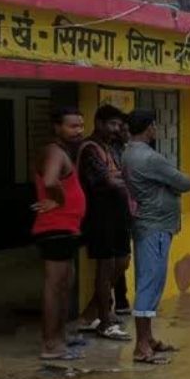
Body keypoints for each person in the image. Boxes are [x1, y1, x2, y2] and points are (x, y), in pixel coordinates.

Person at [123, 110, 190, 364]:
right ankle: (142, 346)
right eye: (155, 125)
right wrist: (171, 183)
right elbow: (185, 182)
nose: (157, 129)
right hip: (155, 226)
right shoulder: (149, 157)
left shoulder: (129, 153)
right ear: (149, 127)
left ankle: (148, 339)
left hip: (149, 223)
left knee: (149, 280)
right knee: (150, 283)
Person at [31, 106, 88, 360]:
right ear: (57, 127)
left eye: (80, 125)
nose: (78, 131)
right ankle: (50, 344)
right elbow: (51, 181)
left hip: (66, 228)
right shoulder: (54, 152)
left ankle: (60, 337)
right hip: (54, 227)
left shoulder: (62, 151)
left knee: (66, 284)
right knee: (55, 286)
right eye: (72, 126)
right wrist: (59, 201)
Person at [77, 105, 132, 341]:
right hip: (100, 215)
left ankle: (92, 312)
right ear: (98, 122)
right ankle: (104, 320)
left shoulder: (112, 147)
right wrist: (126, 178)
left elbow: (122, 174)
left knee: (122, 262)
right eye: (112, 124)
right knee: (106, 266)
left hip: (118, 213)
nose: (116, 129)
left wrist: (123, 176)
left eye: (119, 125)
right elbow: (108, 180)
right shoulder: (90, 149)